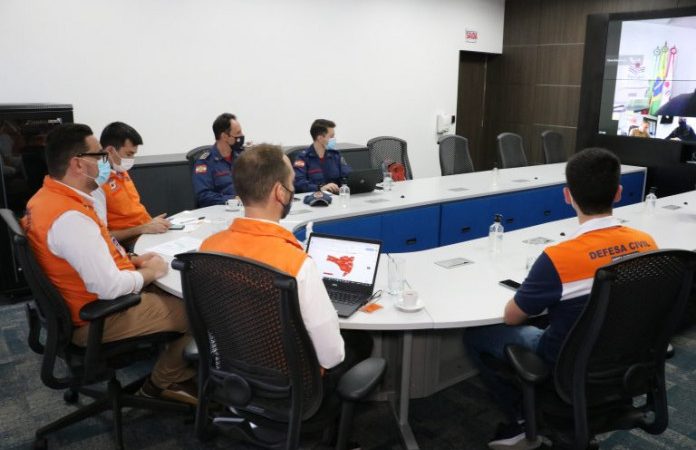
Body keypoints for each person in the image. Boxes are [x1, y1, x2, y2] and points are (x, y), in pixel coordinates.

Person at [466, 147, 658, 449]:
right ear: (619, 193)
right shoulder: (647, 244)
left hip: (566, 360)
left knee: (478, 335)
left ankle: (521, 421)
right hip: (623, 356)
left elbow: (513, 317)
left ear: (567, 196)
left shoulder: (559, 257)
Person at [22, 123, 196, 404]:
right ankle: (163, 382)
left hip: (79, 304)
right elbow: (110, 287)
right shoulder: (70, 218)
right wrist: (150, 272)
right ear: (78, 164)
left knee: (174, 291)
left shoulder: (46, 199)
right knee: (199, 310)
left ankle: (174, 365)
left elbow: (88, 255)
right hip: (97, 316)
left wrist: (133, 261)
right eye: (99, 155)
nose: (105, 161)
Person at [200, 144, 371, 384]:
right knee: (362, 343)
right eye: (291, 183)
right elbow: (331, 356)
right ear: (280, 193)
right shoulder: (296, 263)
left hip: (232, 375)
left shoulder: (208, 248)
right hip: (292, 386)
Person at [95, 122, 171, 245]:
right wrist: (142, 228)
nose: (131, 159)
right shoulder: (97, 182)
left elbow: (133, 211)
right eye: (129, 154)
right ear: (110, 151)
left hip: (146, 230)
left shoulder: (119, 169)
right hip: (129, 242)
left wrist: (151, 223)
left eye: (133, 154)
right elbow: (103, 236)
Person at [192, 113, 246, 207]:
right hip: (221, 211)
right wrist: (232, 200)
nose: (242, 135)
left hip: (245, 209)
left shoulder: (242, 157)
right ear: (224, 136)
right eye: (238, 133)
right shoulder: (205, 162)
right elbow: (204, 196)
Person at [293, 119, 351, 194]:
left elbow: (347, 175)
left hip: (336, 196)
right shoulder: (303, 158)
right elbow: (298, 183)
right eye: (331, 136)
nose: (334, 139)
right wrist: (320, 187)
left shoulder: (335, 155)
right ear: (320, 138)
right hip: (315, 197)